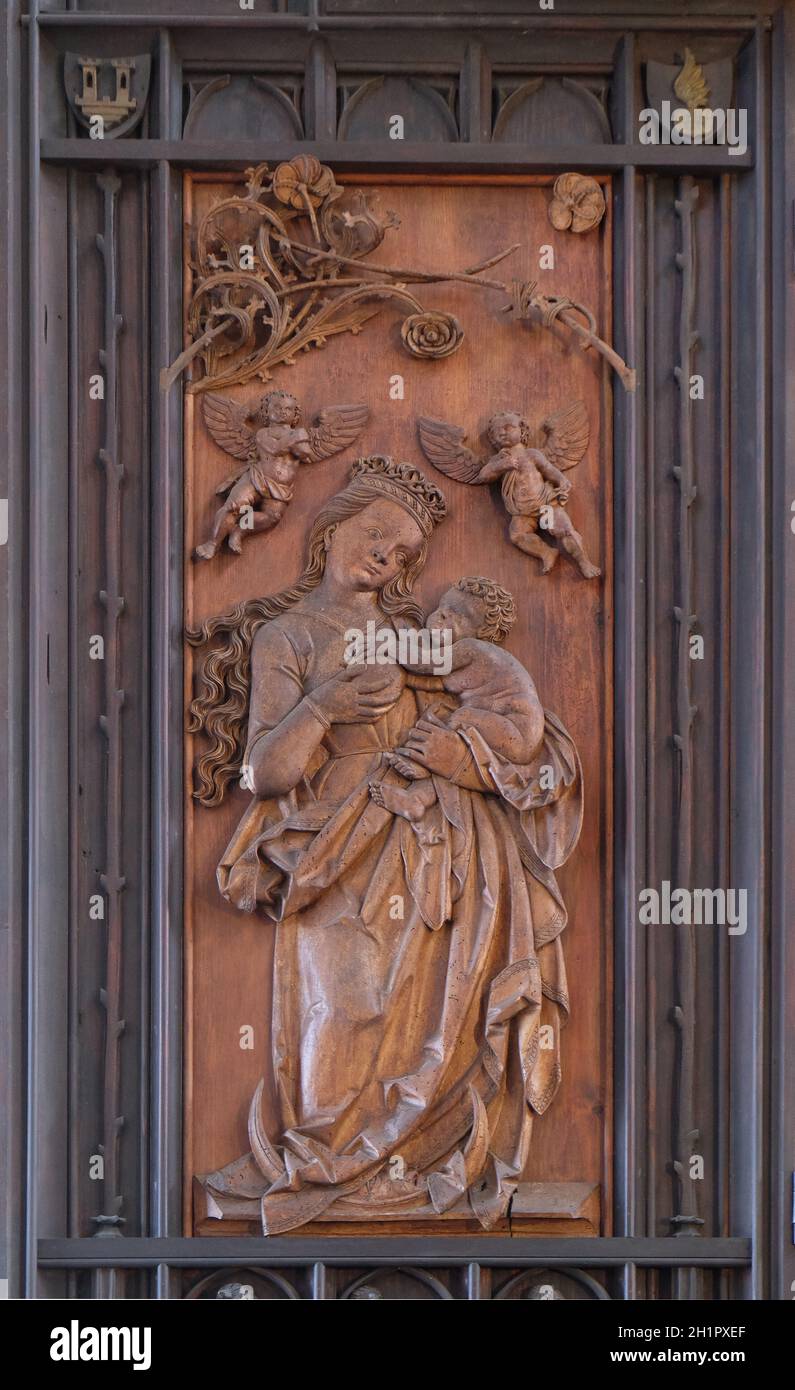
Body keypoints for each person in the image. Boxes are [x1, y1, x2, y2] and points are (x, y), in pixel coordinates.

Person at [188, 455, 583, 1234]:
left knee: (436, 1017)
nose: (387, 559)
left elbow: (501, 725)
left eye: (404, 554)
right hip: (334, 846)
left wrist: (460, 758)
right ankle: (328, 1163)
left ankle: (414, 1167)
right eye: (376, 537)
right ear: (332, 529)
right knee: (341, 1005)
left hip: (436, 846)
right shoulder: (288, 635)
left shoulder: (415, 639)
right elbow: (265, 770)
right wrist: (326, 705)